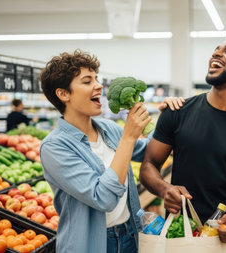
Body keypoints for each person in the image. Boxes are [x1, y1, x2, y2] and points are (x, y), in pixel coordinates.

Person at [140, 35, 226, 253]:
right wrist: (164, 189)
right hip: (178, 238)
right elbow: (149, 164)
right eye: (216, 49)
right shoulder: (177, 113)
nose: (216, 53)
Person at [39, 49, 182, 253]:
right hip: (91, 244)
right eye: (87, 81)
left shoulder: (108, 128)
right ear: (63, 94)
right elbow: (103, 198)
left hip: (129, 234)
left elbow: (149, 151)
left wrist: (167, 120)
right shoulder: (54, 147)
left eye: (97, 79)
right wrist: (129, 137)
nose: (98, 85)